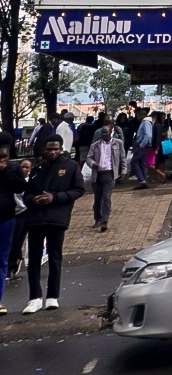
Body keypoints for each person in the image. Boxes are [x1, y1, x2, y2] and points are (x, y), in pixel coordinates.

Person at [21, 135, 85, 313]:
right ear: (44, 150)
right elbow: (26, 195)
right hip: (36, 218)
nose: (52, 152)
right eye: (49, 149)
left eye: (56, 149)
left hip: (57, 217)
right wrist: (34, 199)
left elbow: (79, 190)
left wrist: (54, 197)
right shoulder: (37, 168)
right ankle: (34, 297)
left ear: (61, 148)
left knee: (55, 257)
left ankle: (52, 296)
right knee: (33, 259)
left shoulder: (70, 166)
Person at [0, 133, 32, 315]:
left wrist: (6, 172)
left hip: (5, 219)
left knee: (2, 260)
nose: (3, 160)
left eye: (5, 157)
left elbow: (20, 188)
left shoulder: (12, 169)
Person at [86, 121, 124, 232]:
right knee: (97, 199)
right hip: (97, 175)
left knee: (106, 198)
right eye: (102, 133)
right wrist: (93, 164)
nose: (104, 135)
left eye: (106, 133)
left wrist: (123, 171)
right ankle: (97, 218)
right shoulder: (95, 145)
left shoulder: (118, 143)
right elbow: (89, 158)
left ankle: (104, 221)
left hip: (110, 175)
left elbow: (122, 158)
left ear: (111, 132)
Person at [129, 110, 155, 188]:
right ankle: (144, 181)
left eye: (137, 115)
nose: (137, 117)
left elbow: (148, 135)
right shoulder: (146, 122)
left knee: (134, 162)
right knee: (142, 163)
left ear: (141, 115)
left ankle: (141, 179)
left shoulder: (146, 123)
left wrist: (141, 145)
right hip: (143, 146)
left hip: (142, 146)